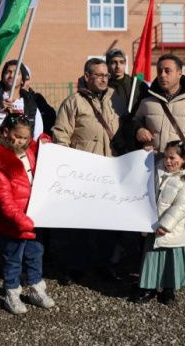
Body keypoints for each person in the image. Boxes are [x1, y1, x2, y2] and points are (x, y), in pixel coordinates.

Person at [134, 54, 185, 276]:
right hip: (153, 171)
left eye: (168, 70)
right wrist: (138, 130)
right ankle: (147, 269)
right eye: (160, 71)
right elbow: (133, 122)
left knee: (180, 217)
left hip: (181, 172)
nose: (163, 75)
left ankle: (178, 271)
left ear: (180, 73)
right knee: (151, 217)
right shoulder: (146, 101)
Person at [53, 58, 125, 282]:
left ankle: (106, 264)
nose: (104, 78)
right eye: (99, 74)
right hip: (84, 172)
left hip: (111, 170)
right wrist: (69, 164)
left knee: (108, 223)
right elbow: (60, 134)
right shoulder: (73, 102)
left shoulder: (117, 100)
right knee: (80, 224)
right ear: (87, 76)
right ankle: (76, 266)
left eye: (106, 75)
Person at [0, 113, 55, 314]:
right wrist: (19, 219)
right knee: (13, 257)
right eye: (18, 136)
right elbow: (3, 196)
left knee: (35, 254)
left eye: (26, 138)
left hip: (35, 215)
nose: (22, 141)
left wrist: (45, 144)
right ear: (6, 132)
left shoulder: (32, 150)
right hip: (13, 220)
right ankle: (12, 292)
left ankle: (36, 288)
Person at [131, 141, 185, 305]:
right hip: (152, 226)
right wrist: (146, 153)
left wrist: (166, 225)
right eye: (166, 157)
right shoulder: (157, 169)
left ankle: (169, 289)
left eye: (173, 158)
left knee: (170, 261)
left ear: (183, 159)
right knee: (151, 258)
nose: (168, 161)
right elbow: (143, 167)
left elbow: (181, 207)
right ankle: (148, 287)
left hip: (170, 230)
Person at [0, 60, 43, 139]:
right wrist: (0, 113)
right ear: (2, 77)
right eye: (8, 72)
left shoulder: (30, 104)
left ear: (23, 80)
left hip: (23, 151)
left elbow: (37, 135)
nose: (12, 75)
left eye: (17, 73)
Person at [21, 66, 57, 137]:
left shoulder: (37, 99)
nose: (24, 83)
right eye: (22, 79)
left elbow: (50, 117)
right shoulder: (7, 100)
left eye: (27, 79)